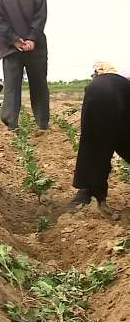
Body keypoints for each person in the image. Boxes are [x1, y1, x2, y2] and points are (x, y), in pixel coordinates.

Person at [0, 0, 49, 130]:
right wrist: (31, 39)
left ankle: (11, 124)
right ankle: (42, 123)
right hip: (35, 47)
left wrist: (15, 40)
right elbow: (40, 19)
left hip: (9, 49)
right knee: (38, 84)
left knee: (11, 87)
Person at [69, 61, 130, 215]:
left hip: (104, 92)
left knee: (94, 140)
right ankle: (90, 190)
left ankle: (87, 191)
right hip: (117, 91)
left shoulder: (104, 81)